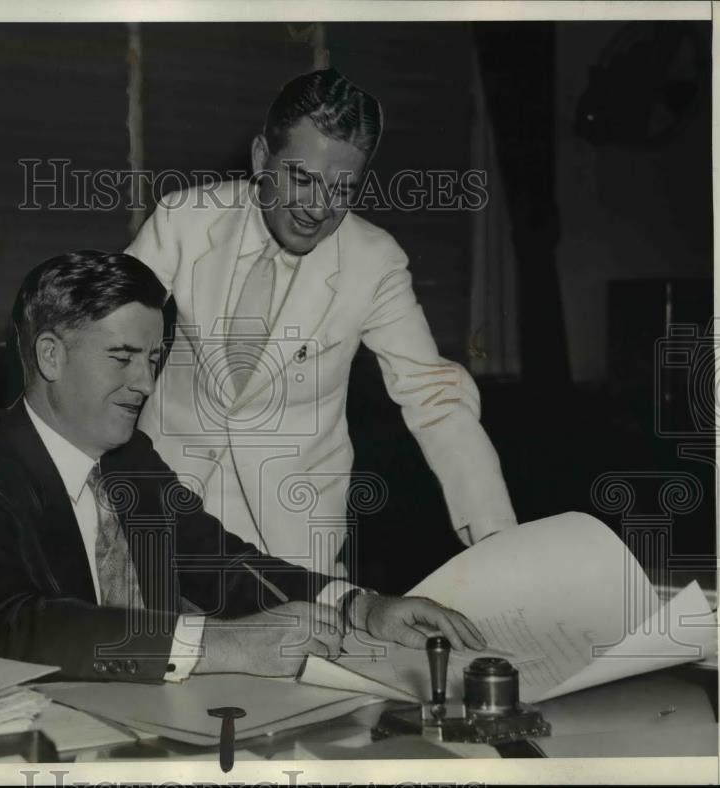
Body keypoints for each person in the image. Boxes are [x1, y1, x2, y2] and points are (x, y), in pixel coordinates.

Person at [0, 251, 487, 683]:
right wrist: (223, 646)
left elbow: (221, 561)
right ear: (51, 355)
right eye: (123, 358)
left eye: (155, 360)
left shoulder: (131, 460)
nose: (145, 384)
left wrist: (362, 606)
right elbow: (15, 626)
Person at [126, 67, 517, 576]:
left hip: (292, 547)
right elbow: (104, 338)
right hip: (163, 525)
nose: (319, 208)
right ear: (261, 157)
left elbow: (435, 397)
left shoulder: (375, 261)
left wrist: (498, 540)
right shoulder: (184, 219)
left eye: (342, 188)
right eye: (303, 178)